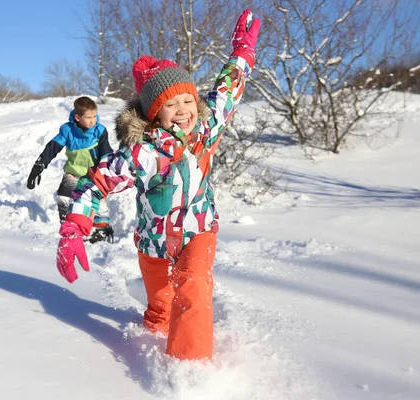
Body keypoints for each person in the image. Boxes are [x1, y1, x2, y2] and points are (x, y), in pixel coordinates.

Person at [55, 10, 261, 361]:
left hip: (199, 230)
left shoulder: (205, 129)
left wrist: (242, 53)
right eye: (170, 103)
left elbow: (227, 92)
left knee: (193, 290)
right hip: (153, 240)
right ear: (154, 112)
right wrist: (74, 226)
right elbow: (97, 182)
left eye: (186, 100)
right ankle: (150, 337)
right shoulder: (142, 152)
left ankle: (190, 369)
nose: (182, 110)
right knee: (161, 305)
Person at [26, 96, 114, 243]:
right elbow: (52, 148)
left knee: (98, 200)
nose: (93, 120)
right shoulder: (67, 130)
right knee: (63, 196)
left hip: (94, 173)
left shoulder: (99, 130)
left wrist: (108, 170)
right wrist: (39, 166)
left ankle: (102, 229)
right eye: (89, 117)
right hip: (73, 171)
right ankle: (70, 228)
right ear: (77, 117)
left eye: (94, 116)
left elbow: (106, 151)